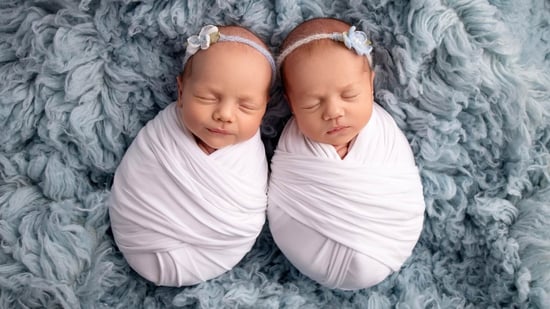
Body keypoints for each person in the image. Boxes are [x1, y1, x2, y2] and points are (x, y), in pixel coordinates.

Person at [109, 25, 276, 286]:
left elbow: (248, 209)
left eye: (246, 106)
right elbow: (138, 179)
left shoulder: (249, 156)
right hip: (141, 233)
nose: (225, 114)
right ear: (181, 92)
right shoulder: (163, 136)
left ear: (264, 108)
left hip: (216, 251)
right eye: (207, 97)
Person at [267, 18, 426, 290]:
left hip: (389, 238)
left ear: (371, 86)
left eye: (350, 95)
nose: (333, 112)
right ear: (290, 104)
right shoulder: (293, 145)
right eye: (312, 103)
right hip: (308, 247)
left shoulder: (383, 135)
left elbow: (401, 187)